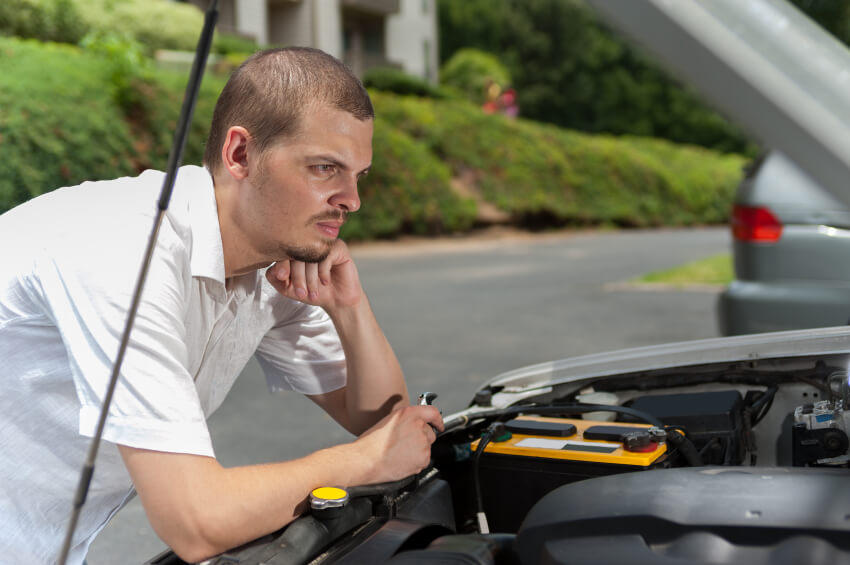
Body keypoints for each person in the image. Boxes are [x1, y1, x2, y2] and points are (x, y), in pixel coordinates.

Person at [0, 47, 443, 564]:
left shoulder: (271, 266)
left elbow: (381, 421)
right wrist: (365, 461)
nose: (352, 200)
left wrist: (350, 307)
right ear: (240, 154)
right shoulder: (124, 247)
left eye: (358, 176)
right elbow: (196, 521)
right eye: (325, 168)